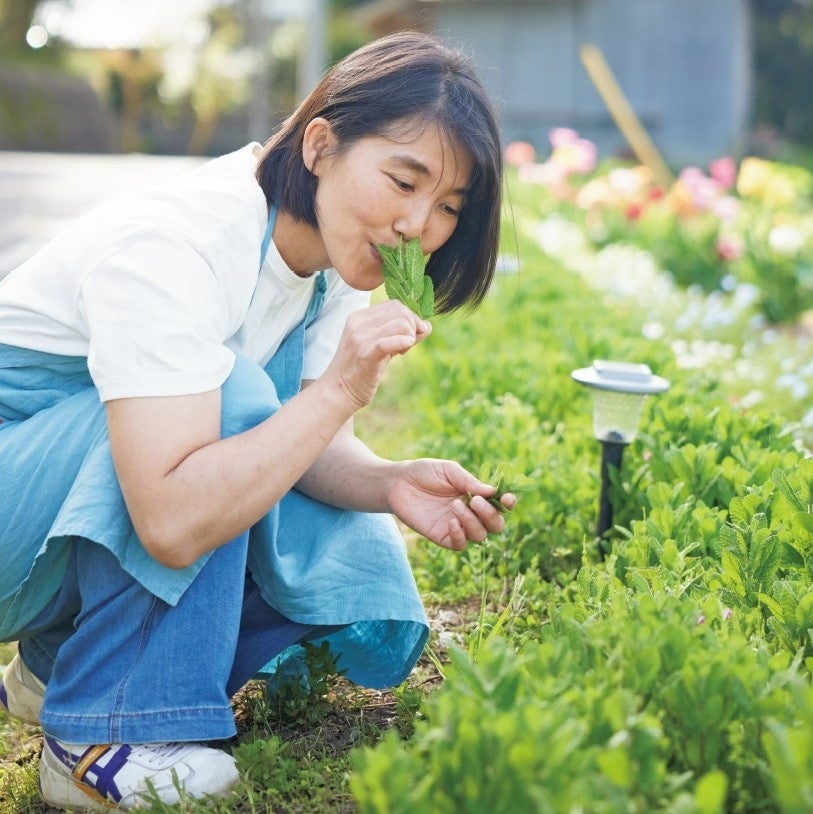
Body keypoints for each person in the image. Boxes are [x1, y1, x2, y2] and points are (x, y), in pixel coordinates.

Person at [0, 30, 512, 810]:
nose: (419, 224)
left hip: (53, 511)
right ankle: (97, 735)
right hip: (17, 499)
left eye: (447, 205)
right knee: (239, 404)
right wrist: (338, 389)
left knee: (293, 468)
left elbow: (305, 449)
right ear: (319, 145)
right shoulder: (180, 245)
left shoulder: (335, 259)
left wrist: (387, 484)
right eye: (403, 181)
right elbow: (171, 520)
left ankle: (55, 665)